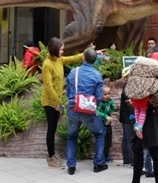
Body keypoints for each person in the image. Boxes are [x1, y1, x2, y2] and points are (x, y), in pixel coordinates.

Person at [65, 47, 108, 175]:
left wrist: (72, 102)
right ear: (94, 61)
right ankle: (98, 163)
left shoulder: (73, 72)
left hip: (73, 108)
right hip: (88, 110)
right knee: (100, 133)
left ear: (83, 58)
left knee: (72, 136)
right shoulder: (97, 75)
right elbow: (98, 97)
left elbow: (68, 91)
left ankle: (71, 166)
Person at [41, 37, 83, 168]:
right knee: (51, 129)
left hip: (57, 101)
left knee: (53, 129)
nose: (63, 51)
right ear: (55, 49)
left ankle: (52, 155)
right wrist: (57, 103)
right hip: (50, 102)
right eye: (61, 49)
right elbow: (48, 86)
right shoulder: (47, 64)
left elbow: (71, 59)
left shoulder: (58, 59)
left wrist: (87, 53)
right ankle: (50, 157)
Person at [132, 42, 158, 183]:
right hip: (146, 115)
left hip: (153, 116)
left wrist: (141, 97)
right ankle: (135, 180)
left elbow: (156, 99)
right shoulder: (149, 74)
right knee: (137, 149)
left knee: (155, 152)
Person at [124, 53, 158, 138]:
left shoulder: (137, 64)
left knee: (137, 108)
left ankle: (137, 123)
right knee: (143, 110)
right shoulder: (154, 67)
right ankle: (140, 126)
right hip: (144, 91)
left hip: (134, 90)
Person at [119, 66, 135, 167]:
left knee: (126, 138)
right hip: (129, 117)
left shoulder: (127, 87)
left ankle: (126, 159)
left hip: (125, 117)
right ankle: (133, 161)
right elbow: (131, 106)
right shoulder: (128, 89)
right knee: (130, 139)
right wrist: (134, 117)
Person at [97, 85, 118, 163]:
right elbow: (97, 112)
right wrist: (105, 116)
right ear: (101, 95)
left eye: (109, 94)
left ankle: (106, 156)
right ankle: (101, 157)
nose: (107, 96)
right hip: (101, 123)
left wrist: (116, 107)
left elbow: (113, 108)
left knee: (108, 141)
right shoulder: (100, 103)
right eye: (105, 94)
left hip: (108, 123)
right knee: (103, 141)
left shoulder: (110, 101)